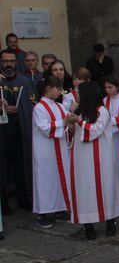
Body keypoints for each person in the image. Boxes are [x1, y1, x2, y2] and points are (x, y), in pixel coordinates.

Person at [69, 81, 119, 240]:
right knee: (85, 189)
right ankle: (88, 224)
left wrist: (79, 121)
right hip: (82, 157)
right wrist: (70, 124)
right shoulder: (79, 111)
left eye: (79, 91)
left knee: (105, 187)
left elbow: (96, 130)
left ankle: (110, 221)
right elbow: (72, 133)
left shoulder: (102, 110)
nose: (76, 94)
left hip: (101, 156)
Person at [32, 77, 72, 228]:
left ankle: (60, 209)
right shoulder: (39, 108)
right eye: (58, 88)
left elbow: (67, 119)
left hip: (60, 148)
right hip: (46, 151)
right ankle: (43, 213)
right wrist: (63, 123)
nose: (60, 91)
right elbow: (45, 127)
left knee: (60, 178)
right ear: (48, 88)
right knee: (46, 180)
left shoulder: (59, 106)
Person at [0, 49, 34, 212]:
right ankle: (3, 203)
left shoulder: (24, 81)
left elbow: (30, 105)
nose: (9, 64)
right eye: (5, 61)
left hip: (20, 130)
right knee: (3, 167)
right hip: (2, 132)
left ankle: (24, 199)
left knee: (21, 165)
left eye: (12, 61)